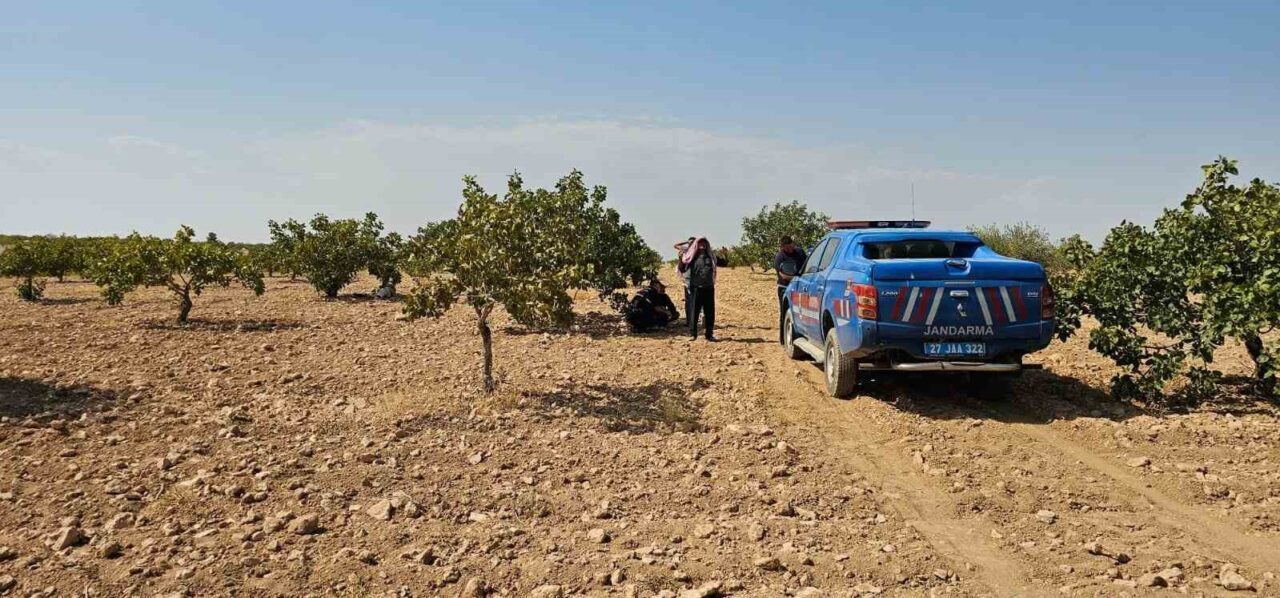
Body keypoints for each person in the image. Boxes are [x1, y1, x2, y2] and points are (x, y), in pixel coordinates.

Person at [678, 237, 717, 341]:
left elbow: (724, 263)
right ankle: (693, 334)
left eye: (704, 243)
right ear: (696, 245)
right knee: (694, 312)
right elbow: (682, 269)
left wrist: (725, 253)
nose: (702, 245)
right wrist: (681, 259)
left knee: (710, 312)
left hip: (709, 288)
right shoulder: (692, 257)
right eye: (700, 243)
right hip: (696, 288)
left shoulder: (711, 257)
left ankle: (709, 334)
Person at [774, 235, 807, 344]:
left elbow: (806, 265)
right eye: (786, 248)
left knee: (800, 312)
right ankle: (783, 339)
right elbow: (782, 274)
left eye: (790, 246)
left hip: (800, 287)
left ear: (793, 244)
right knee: (785, 313)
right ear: (782, 247)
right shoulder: (780, 257)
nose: (789, 249)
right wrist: (797, 278)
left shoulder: (800, 252)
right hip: (784, 287)